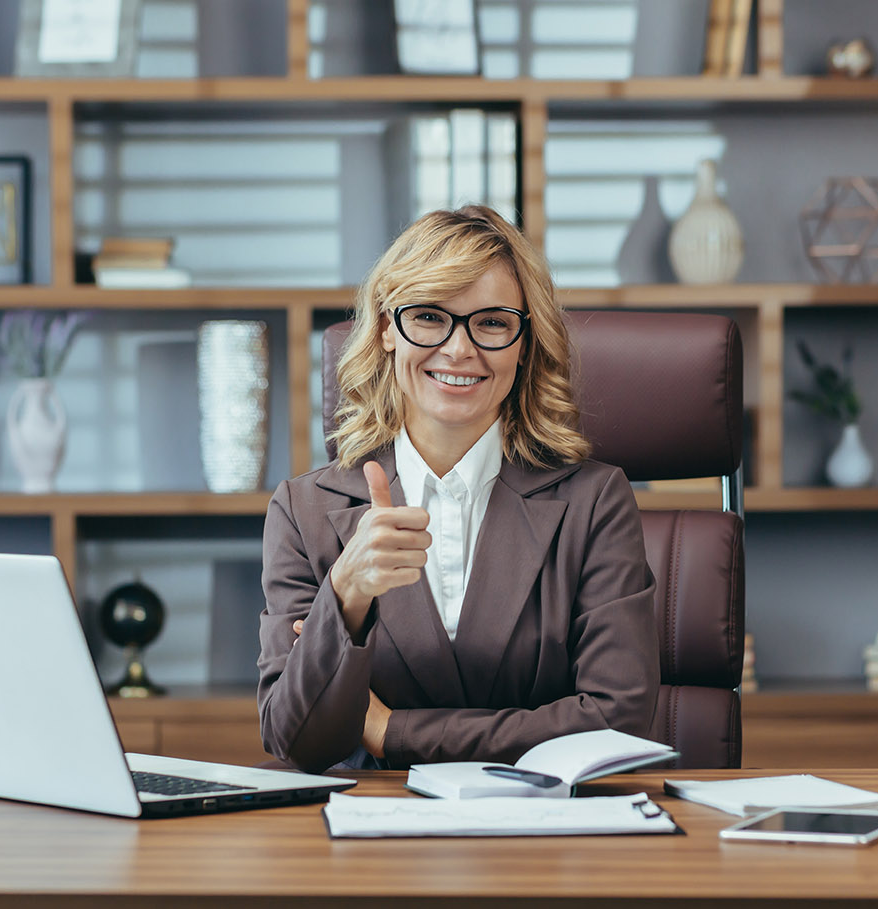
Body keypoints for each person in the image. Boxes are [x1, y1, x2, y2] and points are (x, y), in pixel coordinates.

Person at [256, 205, 658, 773]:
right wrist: (343, 593)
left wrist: (390, 730)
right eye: (428, 316)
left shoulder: (594, 503)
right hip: (369, 841)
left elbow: (615, 721)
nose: (459, 349)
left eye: (492, 322)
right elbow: (294, 739)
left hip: (546, 836)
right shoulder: (305, 511)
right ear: (387, 330)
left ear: (525, 344)